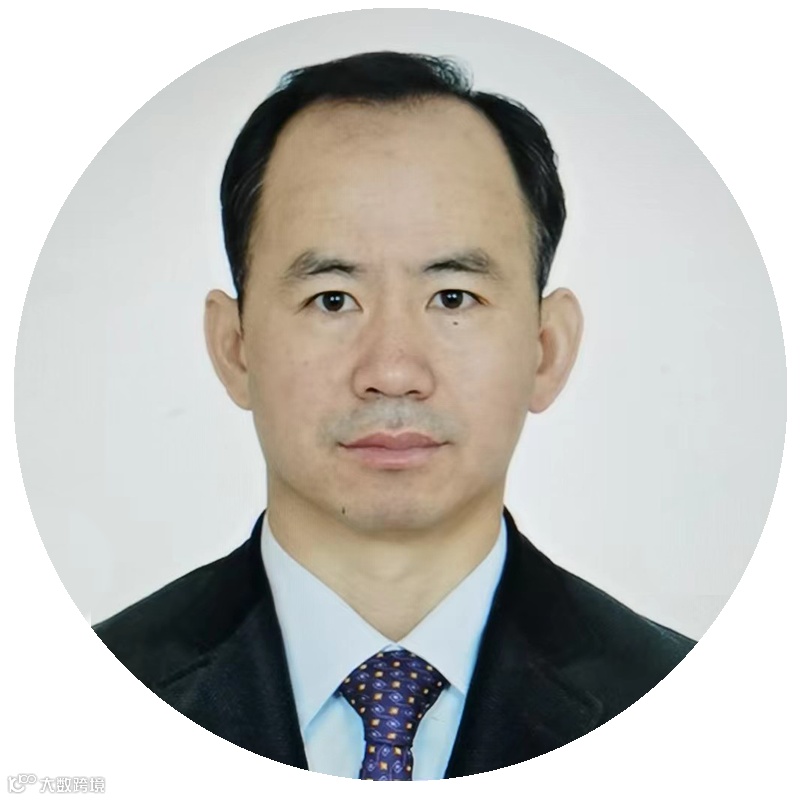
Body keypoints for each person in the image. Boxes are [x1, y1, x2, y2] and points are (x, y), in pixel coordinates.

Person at [94, 51, 694, 780]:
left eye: (453, 298)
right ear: (235, 347)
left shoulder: (693, 710)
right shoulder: (76, 698)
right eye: (332, 299)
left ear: (546, 348)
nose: (393, 371)